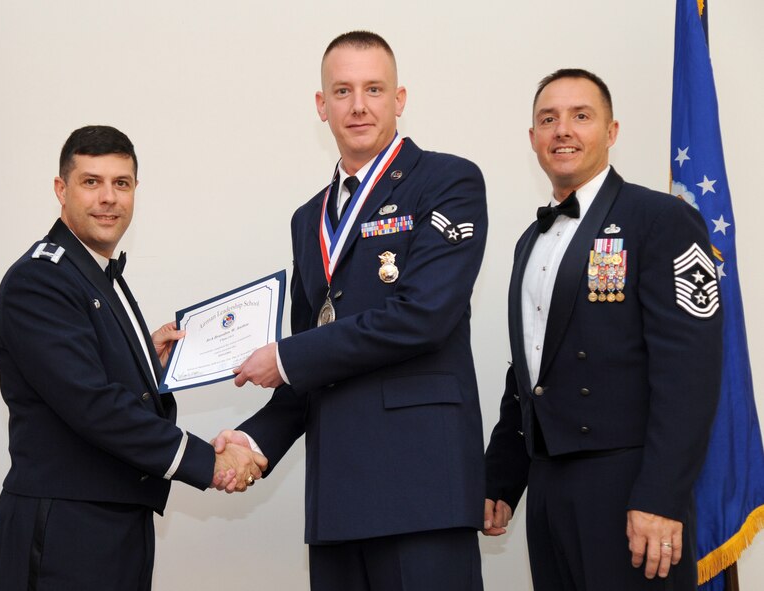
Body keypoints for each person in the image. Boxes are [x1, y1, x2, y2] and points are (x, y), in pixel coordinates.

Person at [215, 31, 488, 590]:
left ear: (399, 98)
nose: (358, 105)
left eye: (373, 89)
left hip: (421, 491)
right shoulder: (306, 217)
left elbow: (423, 316)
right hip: (338, 495)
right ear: (322, 106)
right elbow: (309, 364)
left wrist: (287, 358)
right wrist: (254, 441)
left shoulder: (447, 181)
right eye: (342, 91)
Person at [0, 125, 267, 591]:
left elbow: (93, 375)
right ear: (61, 190)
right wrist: (207, 461)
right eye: (91, 181)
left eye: (121, 183)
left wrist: (144, 361)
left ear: (136, 191)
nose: (108, 198)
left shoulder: (94, 272)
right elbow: (93, 404)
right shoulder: (40, 280)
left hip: (113, 522)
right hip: (65, 529)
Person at [482, 69, 723, 590]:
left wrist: (660, 497)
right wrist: (502, 475)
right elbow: (528, 367)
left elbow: (691, 374)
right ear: (533, 139)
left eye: (581, 116)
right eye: (549, 119)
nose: (562, 130)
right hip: (549, 484)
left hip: (628, 485)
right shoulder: (531, 240)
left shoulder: (661, 219)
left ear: (611, 132)